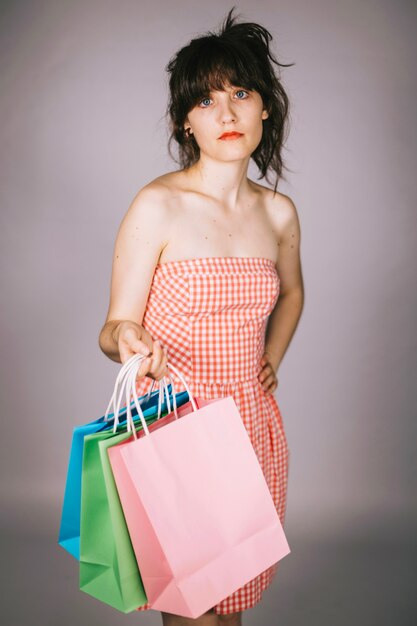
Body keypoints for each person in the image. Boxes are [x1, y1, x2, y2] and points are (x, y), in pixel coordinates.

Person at [98, 6, 304, 626]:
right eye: (207, 100)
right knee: (191, 605)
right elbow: (112, 329)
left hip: (251, 421)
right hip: (177, 421)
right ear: (186, 122)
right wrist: (128, 338)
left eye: (241, 93)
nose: (227, 113)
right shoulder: (157, 204)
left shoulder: (278, 214)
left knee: (232, 598)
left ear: (264, 106)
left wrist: (269, 360)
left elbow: (292, 293)